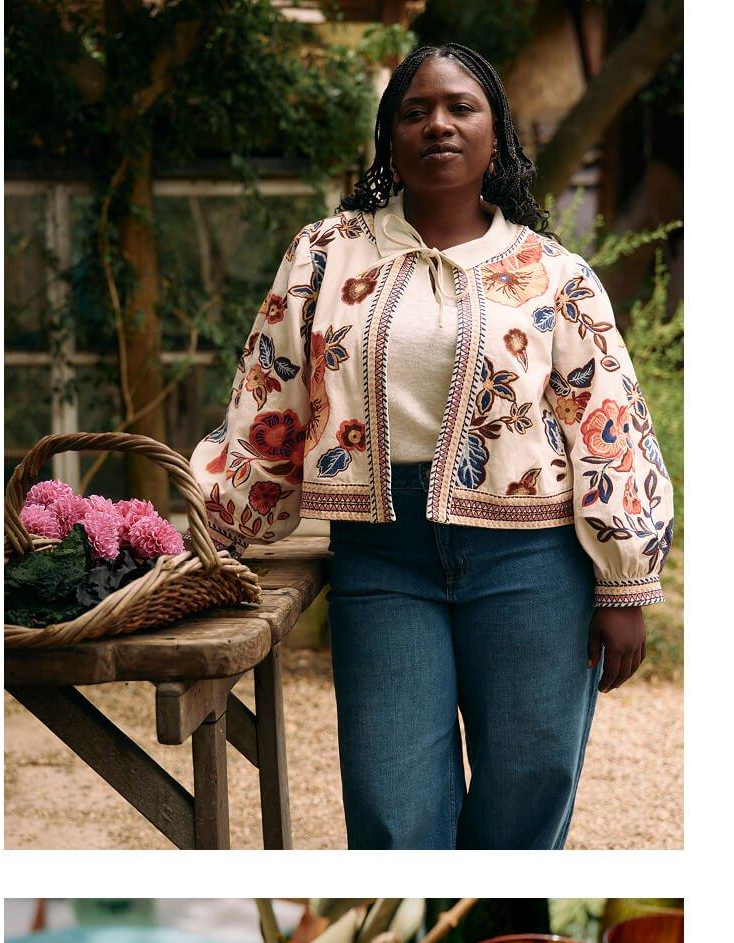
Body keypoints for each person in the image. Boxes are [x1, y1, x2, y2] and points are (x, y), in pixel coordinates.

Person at [190, 42, 673, 854]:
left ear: (496, 134)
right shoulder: (325, 254)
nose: (438, 125)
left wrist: (626, 583)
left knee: (527, 798)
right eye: (415, 111)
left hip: (534, 564)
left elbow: (607, 419)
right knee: (391, 809)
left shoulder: (554, 274)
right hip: (384, 559)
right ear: (390, 137)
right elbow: (269, 395)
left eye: (461, 108)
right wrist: (221, 530)